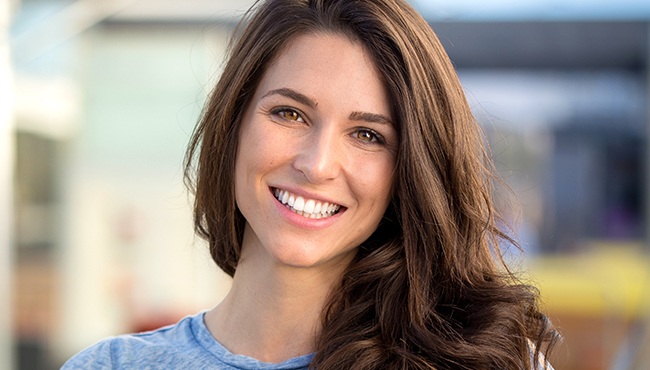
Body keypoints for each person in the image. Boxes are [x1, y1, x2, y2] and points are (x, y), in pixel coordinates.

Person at [62, 0, 559, 368]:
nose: (317, 164)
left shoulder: (490, 361)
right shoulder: (108, 365)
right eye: (290, 113)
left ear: (409, 169)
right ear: (233, 122)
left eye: (367, 135)